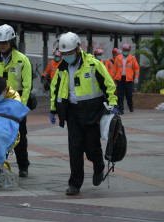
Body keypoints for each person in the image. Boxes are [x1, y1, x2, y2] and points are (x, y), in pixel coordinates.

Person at [50, 32, 117, 195]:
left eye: (69, 53)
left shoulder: (94, 65)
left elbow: (109, 85)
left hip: (92, 111)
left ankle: (98, 167)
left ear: (78, 49)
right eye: (63, 53)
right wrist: (53, 109)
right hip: (72, 112)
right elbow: (55, 89)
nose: (66, 56)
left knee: (92, 148)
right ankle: (74, 183)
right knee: (75, 149)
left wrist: (113, 104)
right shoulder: (62, 68)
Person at [0, 24, 32, 177]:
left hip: (15, 102)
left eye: (4, 42)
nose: (1, 45)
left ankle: (23, 166)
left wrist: (21, 107)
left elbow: (27, 85)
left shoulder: (22, 60)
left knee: (19, 136)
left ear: (12, 42)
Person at [112, 43, 140, 115]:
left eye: (126, 50)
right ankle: (121, 109)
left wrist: (136, 77)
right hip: (119, 78)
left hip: (128, 79)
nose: (125, 51)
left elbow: (136, 68)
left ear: (129, 50)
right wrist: (112, 78)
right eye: (124, 50)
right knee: (120, 95)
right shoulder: (118, 58)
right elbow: (114, 69)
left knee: (129, 95)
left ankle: (130, 105)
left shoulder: (133, 59)